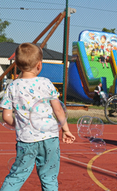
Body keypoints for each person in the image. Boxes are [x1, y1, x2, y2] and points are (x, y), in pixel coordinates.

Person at [0, 43, 75, 191]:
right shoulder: (46, 83)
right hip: (49, 139)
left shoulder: (13, 86)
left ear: (17, 64)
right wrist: (65, 130)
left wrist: (19, 124)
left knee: (16, 176)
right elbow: (58, 110)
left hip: (26, 140)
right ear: (39, 65)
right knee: (49, 177)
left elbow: (6, 117)